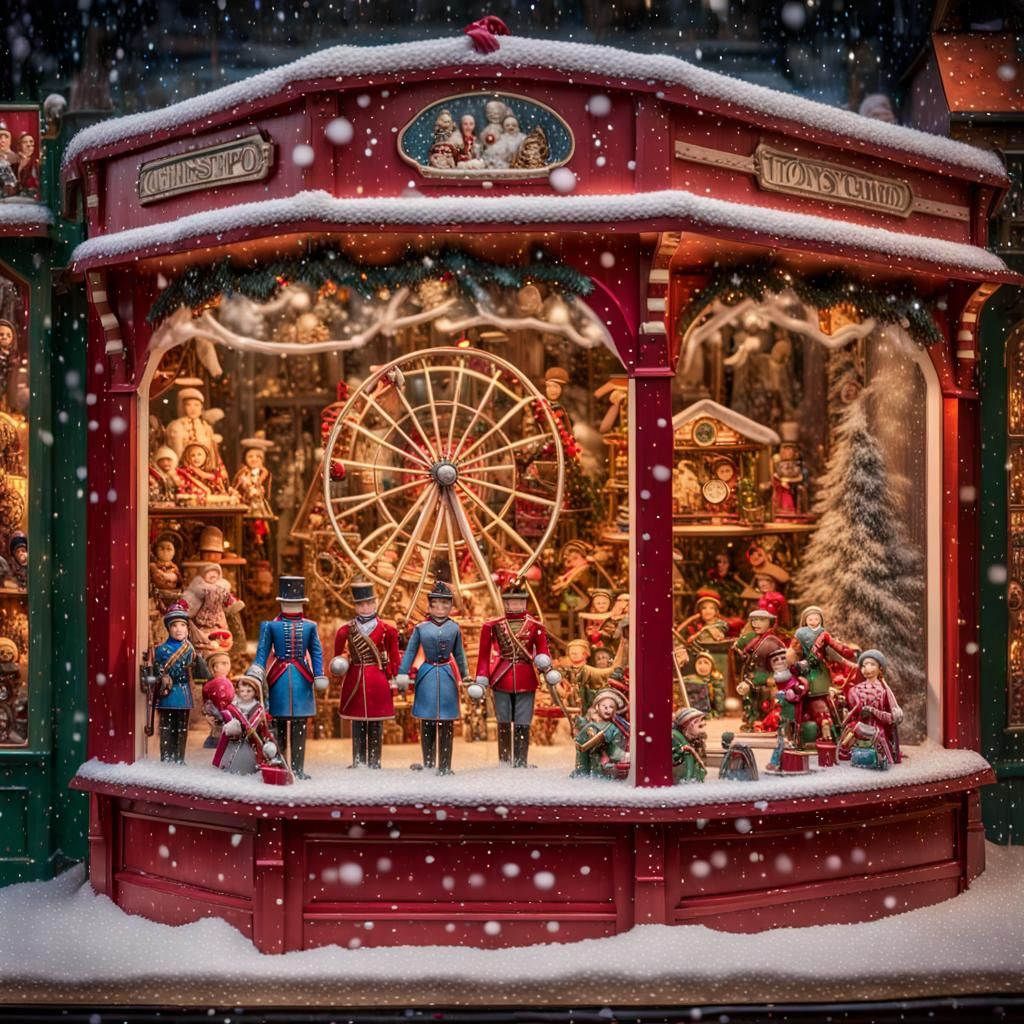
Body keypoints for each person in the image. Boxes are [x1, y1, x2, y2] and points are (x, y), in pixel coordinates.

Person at [243, 576, 327, 779]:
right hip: (279, 679)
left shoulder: (310, 626)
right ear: (281, 603)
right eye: (287, 603)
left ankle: (298, 768)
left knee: (300, 725)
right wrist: (257, 670)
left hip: (301, 680)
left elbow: (316, 652)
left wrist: (319, 674)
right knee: (278, 725)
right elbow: (262, 652)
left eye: (295, 603)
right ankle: (281, 765)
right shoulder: (270, 626)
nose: (291, 607)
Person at [474, 573, 559, 767]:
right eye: (512, 602)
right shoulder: (492, 626)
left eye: (520, 602)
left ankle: (521, 761)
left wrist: (546, 665)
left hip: (526, 676)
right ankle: (504, 760)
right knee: (503, 720)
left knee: (523, 721)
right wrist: (482, 676)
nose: (516, 606)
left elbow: (543, 651)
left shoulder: (536, 626)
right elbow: (483, 655)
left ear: (525, 603)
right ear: (505, 604)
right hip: (501, 677)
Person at [396, 579, 469, 776]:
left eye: (445, 604)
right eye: (436, 603)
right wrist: (403, 673)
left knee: (446, 722)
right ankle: (428, 763)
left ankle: (445, 765)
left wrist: (466, 676)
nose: (440, 607)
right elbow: (410, 652)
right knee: (427, 721)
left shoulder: (454, 628)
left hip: (447, 676)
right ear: (429, 605)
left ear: (450, 606)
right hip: (426, 675)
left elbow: (460, 655)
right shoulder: (421, 628)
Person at [331, 578, 400, 769]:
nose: (365, 607)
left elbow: (394, 657)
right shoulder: (345, 630)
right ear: (355, 606)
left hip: (377, 678)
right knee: (357, 724)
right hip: (355, 678)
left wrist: (396, 677)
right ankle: (358, 761)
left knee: (376, 724)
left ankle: (375, 762)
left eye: (369, 603)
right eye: (361, 604)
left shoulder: (388, 630)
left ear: (376, 603)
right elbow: (338, 655)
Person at [788, 605, 857, 744]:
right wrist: (792, 662)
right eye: (810, 619)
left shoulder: (823, 635)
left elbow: (833, 652)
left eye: (816, 619)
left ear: (821, 620)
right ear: (805, 620)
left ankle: (830, 729)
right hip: (804, 671)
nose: (813, 621)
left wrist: (847, 662)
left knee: (824, 696)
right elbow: (793, 651)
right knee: (802, 695)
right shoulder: (800, 635)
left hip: (821, 672)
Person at [151, 602, 210, 764]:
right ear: (168, 629)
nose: (179, 629)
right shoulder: (161, 650)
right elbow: (156, 672)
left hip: (184, 694)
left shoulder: (190, 649)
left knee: (182, 729)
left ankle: (179, 758)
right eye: (174, 625)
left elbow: (201, 675)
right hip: (168, 695)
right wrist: (160, 676)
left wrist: (199, 660)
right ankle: (167, 758)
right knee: (167, 729)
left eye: (182, 625)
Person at [838, 650, 903, 768]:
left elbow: (892, 718)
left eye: (872, 664)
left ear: (880, 669)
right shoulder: (855, 690)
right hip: (857, 728)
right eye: (864, 665)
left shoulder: (884, 691)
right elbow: (852, 711)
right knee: (850, 732)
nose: (867, 668)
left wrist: (873, 711)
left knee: (878, 741)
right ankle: (846, 754)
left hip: (876, 730)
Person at [732, 609, 786, 731]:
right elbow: (736, 651)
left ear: (770, 622)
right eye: (754, 620)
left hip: (766, 679)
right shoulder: (748, 638)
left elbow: (781, 665)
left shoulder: (773, 642)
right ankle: (751, 722)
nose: (756, 623)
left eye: (761, 620)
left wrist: (771, 678)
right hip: (748, 678)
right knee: (749, 702)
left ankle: (764, 722)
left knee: (764, 702)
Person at [572, 688, 629, 778]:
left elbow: (615, 750)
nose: (607, 709)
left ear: (615, 710)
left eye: (611, 707)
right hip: (593, 764)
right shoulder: (591, 726)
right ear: (597, 707)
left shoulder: (613, 728)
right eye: (604, 706)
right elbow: (580, 743)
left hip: (606, 765)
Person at [671, 707, 707, 783]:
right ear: (687, 723)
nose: (704, 723)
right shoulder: (676, 738)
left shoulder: (691, 740)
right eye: (699, 721)